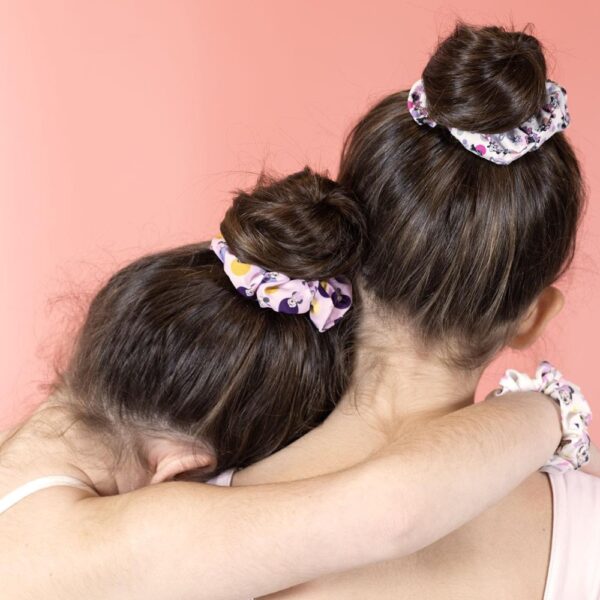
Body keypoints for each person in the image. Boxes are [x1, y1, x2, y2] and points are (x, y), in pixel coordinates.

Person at [0, 171, 589, 598]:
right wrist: (548, 410)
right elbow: (393, 512)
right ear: (534, 314)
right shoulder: (110, 546)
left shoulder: (50, 480)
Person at [226, 23, 600, 600]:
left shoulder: (174, 521)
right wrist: (554, 414)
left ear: (338, 258)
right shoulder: (587, 524)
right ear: (535, 315)